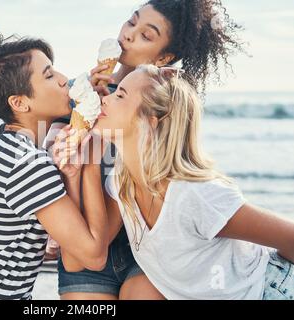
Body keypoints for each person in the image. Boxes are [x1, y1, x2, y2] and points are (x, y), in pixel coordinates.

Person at [51, 0, 245, 300]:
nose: (128, 35)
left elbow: (172, 173)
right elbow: (52, 157)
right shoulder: (77, 92)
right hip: (85, 240)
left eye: (146, 35)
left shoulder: (164, 104)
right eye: (131, 22)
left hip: (144, 251)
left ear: (164, 57)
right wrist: (82, 102)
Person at [55, 64, 294, 300]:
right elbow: (85, 256)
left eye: (120, 95)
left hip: (269, 289)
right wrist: (83, 167)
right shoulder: (122, 184)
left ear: (150, 121)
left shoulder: (194, 195)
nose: (104, 99)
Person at [0, 22, 109, 300]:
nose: (63, 79)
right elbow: (94, 256)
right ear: (19, 103)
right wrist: (92, 158)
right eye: (48, 76)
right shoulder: (27, 163)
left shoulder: (5, 141)